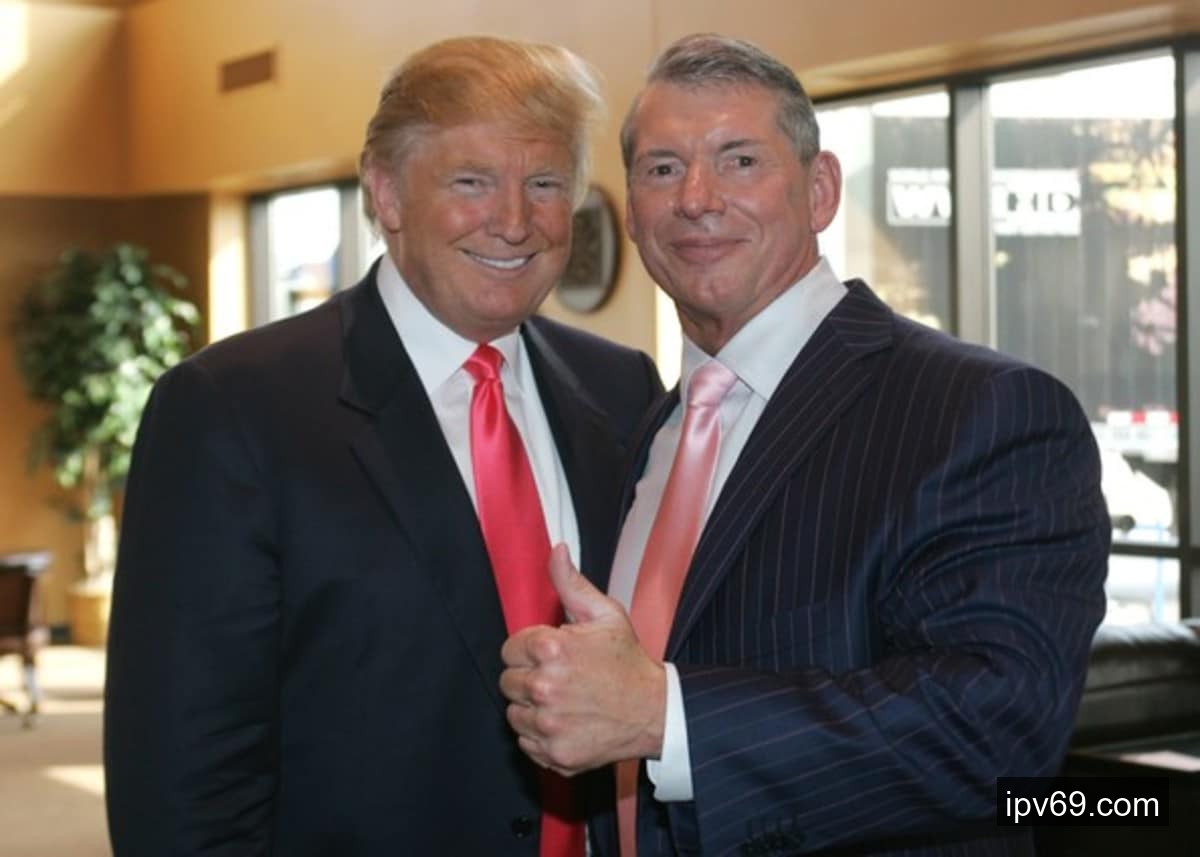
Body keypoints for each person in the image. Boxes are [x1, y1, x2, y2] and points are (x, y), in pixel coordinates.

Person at [499, 33, 1109, 856]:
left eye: (740, 161)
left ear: (820, 191)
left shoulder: (978, 409)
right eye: (663, 169)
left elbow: (999, 730)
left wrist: (662, 716)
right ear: (634, 213)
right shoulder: (653, 427)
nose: (697, 198)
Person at [104, 35, 663, 857]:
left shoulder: (623, 390)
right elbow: (180, 777)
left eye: (544, 183)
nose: (514, 221)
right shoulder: (231, 409)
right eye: (471, 181)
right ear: (387, 192)